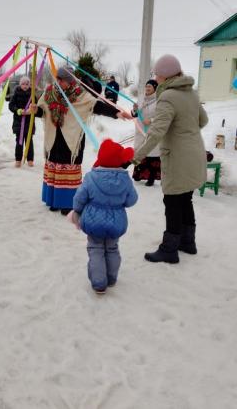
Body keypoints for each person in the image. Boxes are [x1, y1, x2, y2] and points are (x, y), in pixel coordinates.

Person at [133, 54, 208, 264]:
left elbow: (156, 132)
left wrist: (137, 156)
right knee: (185, 198)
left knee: (173, 201)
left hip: (178, 157)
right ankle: (188, 242)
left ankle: (169, 249)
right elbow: (203, 120)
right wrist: (186, 132)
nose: (156, 79)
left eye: (157, 74)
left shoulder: (167, 97)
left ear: (165, 75)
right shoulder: (191, 93)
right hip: (194, 153)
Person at [30, 66, 130, 215]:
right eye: (57, 78)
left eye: (61, 80)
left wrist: (116, 113)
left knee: (68, 166)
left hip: (72, 138)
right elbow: (42, 111)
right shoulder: (50, 92)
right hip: (54, 138)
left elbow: (96, 106)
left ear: (69, 81)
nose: (58, 82)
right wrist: (35, 110)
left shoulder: (80, 95)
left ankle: (67, 203)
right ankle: (54, 200)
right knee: (55, 165)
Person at [71, 139, 138, 294]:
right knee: (112, 248)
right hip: (116, 222)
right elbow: (132, 200)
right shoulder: (125, 179)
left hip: (94, 221)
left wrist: (77, 211)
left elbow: (80, 197)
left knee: (95, 248)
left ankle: (99, 282)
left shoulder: (91, 177)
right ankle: (111, 278)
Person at [132, 79, 161, 186]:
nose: (147, 88)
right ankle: (138, 175)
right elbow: (134, 115)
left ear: (155, 88)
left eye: (150, 86)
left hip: (151, 130)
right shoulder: (141, 99)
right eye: (146, 86)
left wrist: (151, 120)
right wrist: (134, 110)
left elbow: (162, 116)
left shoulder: (159, 100)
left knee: (151, 154)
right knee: (140, 152)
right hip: (140, 130)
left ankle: (151, 178)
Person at [8, 75, 37, 167]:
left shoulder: (32, 94)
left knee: (29, 141)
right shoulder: (16, 93)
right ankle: (18, 159)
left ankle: (30, 159)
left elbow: (36, 106)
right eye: (23, 84)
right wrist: (18, 110)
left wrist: (31, 111)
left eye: (27, 84)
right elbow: (11, 105)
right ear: (20, 84)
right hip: (19, 122)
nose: (25, 86)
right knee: (19, 141)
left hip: (29, 121)